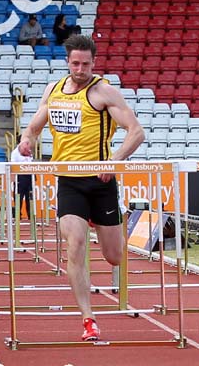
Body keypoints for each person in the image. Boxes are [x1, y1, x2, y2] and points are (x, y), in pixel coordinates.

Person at [17, 34, 144, 342]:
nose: (80, 69)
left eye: (86, 64)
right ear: (67, 62)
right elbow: (34, 126)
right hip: (69, 180)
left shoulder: (103, 91)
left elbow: (136, 132)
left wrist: (113, 161)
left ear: (94, 62)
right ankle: (88, 319)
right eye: (75, 63)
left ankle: (102, 220)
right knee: (75, 244)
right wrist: (27, 141)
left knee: (114, 256)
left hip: (100, 181)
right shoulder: (55, 90)